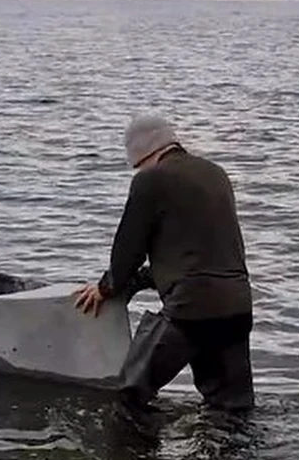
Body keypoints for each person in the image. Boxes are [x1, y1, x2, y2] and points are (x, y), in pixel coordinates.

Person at [74, 114, 255, 421]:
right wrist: (135, 283)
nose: (137, 171)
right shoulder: (216, 173)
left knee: (129, 399)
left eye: (136, 165)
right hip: (237, 308)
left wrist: (108, 288)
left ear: (145, 155)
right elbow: (197, 256)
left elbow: (128, 252)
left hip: (190, 312)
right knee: (232, 412)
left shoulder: (150, 180)